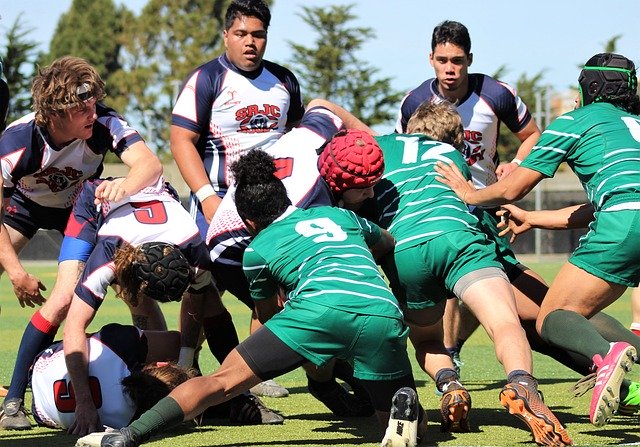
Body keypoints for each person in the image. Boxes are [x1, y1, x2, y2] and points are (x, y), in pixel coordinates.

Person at [75, 150, 426, 447]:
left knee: (220, 381)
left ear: (248, 222)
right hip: (381, 312)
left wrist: (312, 347)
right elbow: (386, 243)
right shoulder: (339, 215)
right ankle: (401, 407)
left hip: (315, 309)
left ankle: (126, 437)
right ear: (286, 199)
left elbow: (269, 313)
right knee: (403, 425)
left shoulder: (256, 250)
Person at [319, 103, 572, 446]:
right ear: (457, 138)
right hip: (457, 236)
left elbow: (343, 130)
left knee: (426, 339)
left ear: (407, 128)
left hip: (406, 249)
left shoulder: (378, 146)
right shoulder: (452, 156)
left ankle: (449, 383)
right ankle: (522, 385)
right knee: (504, 323)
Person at [435, 52, 640, 428]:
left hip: (624, 221)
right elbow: (603, 204)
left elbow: (512, 188)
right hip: (627, 216)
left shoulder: (576, 121)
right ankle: (625, 365)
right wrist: (533, 219)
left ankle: (607, 355)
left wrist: (469, 193)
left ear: (589, 88)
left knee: (553, 318)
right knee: (580, 313)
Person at [0, 56, 163, 430]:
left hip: (81, 207)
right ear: (53, 112)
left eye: (93, 103)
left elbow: (149, 166)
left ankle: (162, 377)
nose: (92, 113)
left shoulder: (104, 122)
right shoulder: (15, 142)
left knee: (134, 284)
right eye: (80, 108)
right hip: (25, 206)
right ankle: (13, 401)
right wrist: (16, 273)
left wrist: (119, 186)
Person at [207, 99, 379, 417]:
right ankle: (246, 388)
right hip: (234, 244)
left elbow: (320, 104)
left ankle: (329, 372)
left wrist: (369, 141)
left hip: (249, 219)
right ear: (339, 185)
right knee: (305, 315)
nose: (369, 194)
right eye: (364, 188)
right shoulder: (313, 204)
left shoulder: (315, 135)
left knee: (311, 315)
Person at [170, 0, 304, 398]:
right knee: (200, 280)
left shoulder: (284, 80)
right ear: (226, 35)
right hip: (217, 198)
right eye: (242, 34)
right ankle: (185, 359)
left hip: (271, 205)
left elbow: (296, 138)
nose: (250, 43)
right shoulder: (206, 78)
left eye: (258, 34)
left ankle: (252, 370)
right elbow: (181, 140)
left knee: (269, 280)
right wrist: (207, 197)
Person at [396, 20, 542, 367]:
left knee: (490, 281)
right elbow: (405, 151)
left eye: (458, 60)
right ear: (431, 58)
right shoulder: (414, 101)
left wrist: (516, 163)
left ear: (470, 59)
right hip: (439, 205)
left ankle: (454, 345)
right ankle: (447, 359)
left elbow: (533, 135)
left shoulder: (496, 94)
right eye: (443, 60)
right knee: (450, 285)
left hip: (486, 202)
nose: (450, 68)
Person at [31, 323, 197, 430]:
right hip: (44, 411)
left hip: (42, 364)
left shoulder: (121, 344)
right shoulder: (129, 423)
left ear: (161, 364)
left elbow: (176, 341)